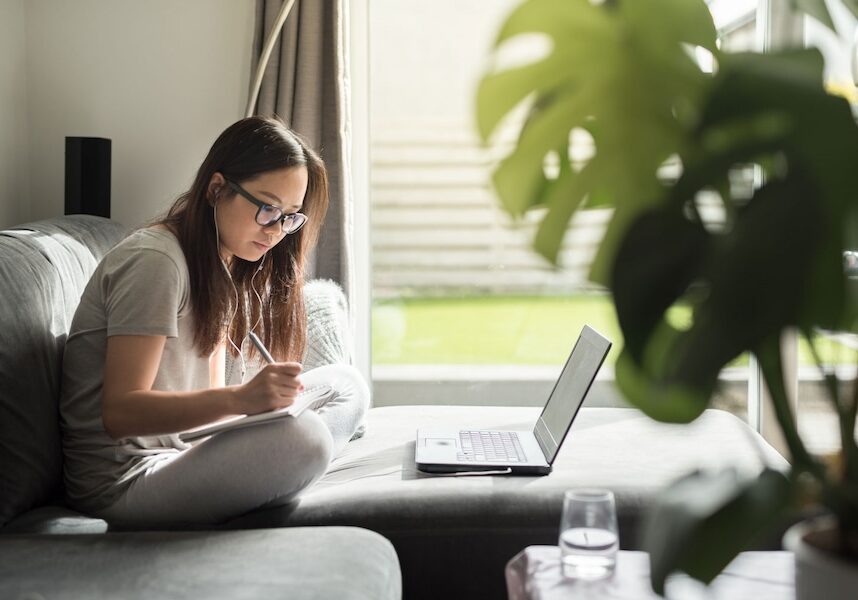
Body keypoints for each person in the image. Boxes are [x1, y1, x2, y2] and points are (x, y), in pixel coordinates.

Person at [59, 116, 368, 526]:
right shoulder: (156, 262)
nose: (277, 231)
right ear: (217, 188)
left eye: (290, 216)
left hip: (181, 451)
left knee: (346, 385)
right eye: (267, 208)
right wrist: (243, 401)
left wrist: (258, 412)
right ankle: (291, 470)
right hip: (126, 480)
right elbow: (120, 413)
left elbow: (210, 407)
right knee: (306, 438)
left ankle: (282, 473)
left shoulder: (221, 264)